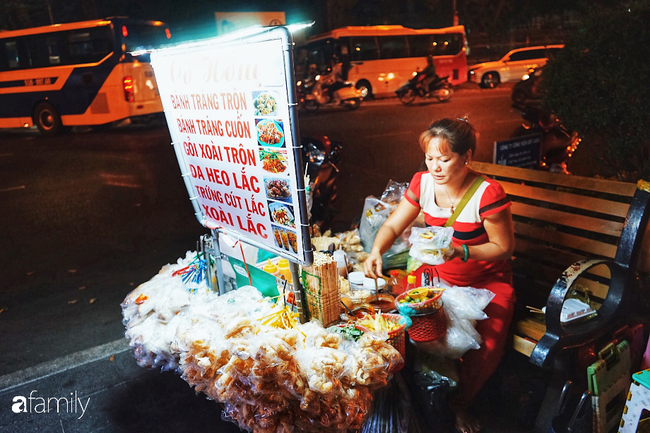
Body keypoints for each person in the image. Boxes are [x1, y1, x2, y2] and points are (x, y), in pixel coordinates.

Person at [364, 118, 516, 433]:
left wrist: (462, 252)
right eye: (430, 158)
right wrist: (376, 250)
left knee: (484, 347)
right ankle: (425, 396)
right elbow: (393, 225)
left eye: (444, 159)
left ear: (467, 157)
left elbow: (503, 247)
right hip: (436, 278)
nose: (435, 166)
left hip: (486, 283)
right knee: (413, 331)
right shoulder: (422, 183)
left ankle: (459, 403)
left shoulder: (487, 193)